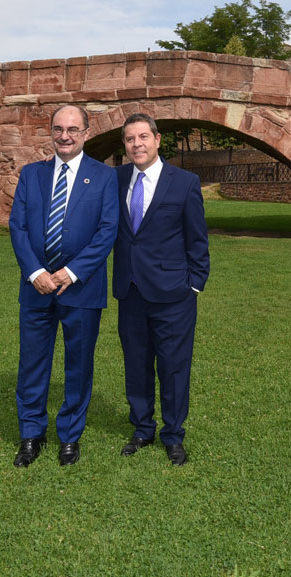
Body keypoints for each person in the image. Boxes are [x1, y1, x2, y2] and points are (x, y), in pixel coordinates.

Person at [8, 105, 118, 467]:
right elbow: (19, 228)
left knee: (79, 365)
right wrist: (35, 271)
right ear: (51, 132)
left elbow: (106, 232)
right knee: (32, 365)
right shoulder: (31, 174)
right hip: (36, 287)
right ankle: (31, 435)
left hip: (81, 289)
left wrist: (70, 272)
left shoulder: (104, 177)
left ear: (86, 132)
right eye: (58, 129)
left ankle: (70, 436)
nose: (65, 136)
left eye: (73, 129)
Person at [112, 113, 210, 466]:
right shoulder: (116, 178)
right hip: (130, 290)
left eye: (142, 137)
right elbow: (82, 179)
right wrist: (53, 160)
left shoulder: (184, 183)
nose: (136, 144)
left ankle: (173, 434)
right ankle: (142, 428)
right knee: (136, 364)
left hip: (174, 295)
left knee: (173, 366)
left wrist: (194, 286)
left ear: (156, 140)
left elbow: (197, 240)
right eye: (128, 139)